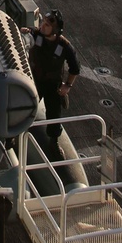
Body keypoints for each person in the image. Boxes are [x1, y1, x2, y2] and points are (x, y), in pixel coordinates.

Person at [22, 9, 80, 151]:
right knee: (25, 107)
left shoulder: (64, 46)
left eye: (47, 25)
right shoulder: (36, 34)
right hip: (35, 81)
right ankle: (16, 134)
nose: (43, 26)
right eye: (43, 22)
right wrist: (25, 30)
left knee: (54, 114)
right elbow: (30, 30)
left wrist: (67, 85)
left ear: (55, 30)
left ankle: (53, 142)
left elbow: (75, 68)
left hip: (53, 84)